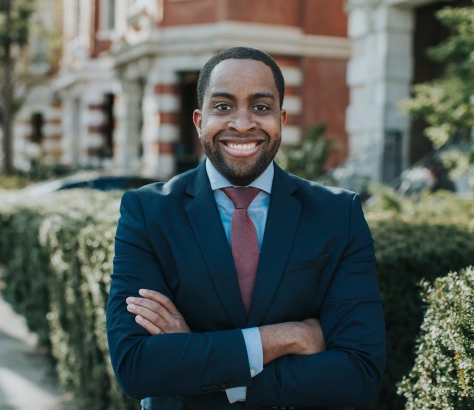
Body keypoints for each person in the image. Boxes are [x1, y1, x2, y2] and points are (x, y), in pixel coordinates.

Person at [106, 46, 385, 410]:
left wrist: (200, 364)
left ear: (281, 119)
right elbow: (137, 366)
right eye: (223, 107)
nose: (242, 124)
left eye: (261, 107)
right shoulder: (147, 212)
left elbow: (359, 373)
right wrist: (289, 337)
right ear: (198, 121)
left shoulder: (337, 214)